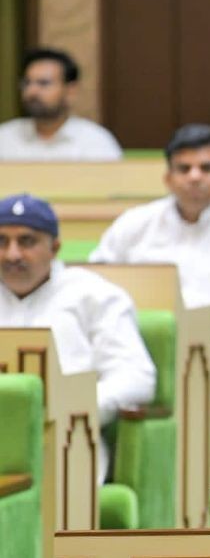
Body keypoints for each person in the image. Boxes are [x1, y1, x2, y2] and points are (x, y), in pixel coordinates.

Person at [90, 124, 210, 400]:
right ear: (168, 177)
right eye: (184, 168)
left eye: (206, 168)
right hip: (131, 343)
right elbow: (94, 282)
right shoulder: (135, 223)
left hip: (206, 351)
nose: (194, 177)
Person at [0, 194, 155, 481]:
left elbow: (137, 377)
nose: (12, 255)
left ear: (55, 247)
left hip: (67, 445)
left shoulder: (95, 296)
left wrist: (75, 406)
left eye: (26, 241)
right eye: (2, 242)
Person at [0, 48, 122, 161]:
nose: (31, 91)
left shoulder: (95, 141)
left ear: (70, 91)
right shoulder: (5, 137)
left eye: (43, 83)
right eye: (27, 83)